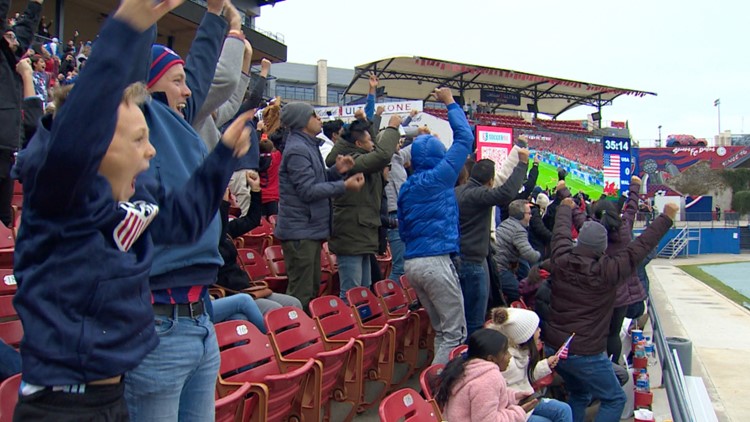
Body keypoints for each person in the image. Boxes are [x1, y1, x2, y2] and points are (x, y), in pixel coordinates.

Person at [12, 0, 251, 418]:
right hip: (63, 405)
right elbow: (78, 129)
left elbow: (181, 222)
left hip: (116, 392)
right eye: (139, 138)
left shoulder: (122, 208)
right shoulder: (60, 199)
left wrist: (222, 158)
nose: (152, 148)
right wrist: (130, 26)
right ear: (98, 141)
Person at [123, 1, 239, 420]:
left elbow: (202, 72)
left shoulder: (180, 122)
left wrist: (213, 17)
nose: (188, 91)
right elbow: (128, 61)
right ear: (147, 87)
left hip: (198, 320)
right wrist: (143, 14)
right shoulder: (141, 115)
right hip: (158, 323)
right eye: (176, 81)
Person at [543, 198, 677, 422]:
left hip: (555, 349)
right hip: (585, 353)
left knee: (580, 392)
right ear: (602, 248)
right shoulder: (608, 271)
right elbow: (639, 248)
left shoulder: (561, 258)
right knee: (615, 398)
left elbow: (560, 233)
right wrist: (666, 218)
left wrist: (565, 208)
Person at [398, 87, 473, 364]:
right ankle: (441, 392)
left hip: (413, 263)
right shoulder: (441, 175)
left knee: (443, 331)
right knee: (455, 333)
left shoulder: (407, 187)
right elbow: (465, 138)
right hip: (435, 262)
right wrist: (451, 103)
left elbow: (403, 229)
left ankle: (435, 385)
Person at [274, 102, 364, 310]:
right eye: (314, 115)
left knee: (310, 288)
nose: (319, 119)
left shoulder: (307, 146)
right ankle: (292, 338)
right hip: (300, 232)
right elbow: (308, 191)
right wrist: (344, 185)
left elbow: (317, 181)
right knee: (301, 293)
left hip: (308, 230)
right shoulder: (298, 149)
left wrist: (335, 171)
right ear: (302, 121)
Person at [325, 115, 401, 299]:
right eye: (369, 140)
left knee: (364, 289)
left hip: (362, 232)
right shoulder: (352, 161)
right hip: (351, 234)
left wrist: (367, 120)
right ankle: (347, 326)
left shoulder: (359, 155)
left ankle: (363, 324)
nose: (373, 144)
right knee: (351, 291)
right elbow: (382, 155)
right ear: (359, 144)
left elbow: (376, 149)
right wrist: (391, 128)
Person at [455, 155, 529, 337]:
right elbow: (506, 192)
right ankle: (470, 359)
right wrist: (522, 165)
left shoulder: (457, 192)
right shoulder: (478, 195)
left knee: (461, 317)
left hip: (457, 260)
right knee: (474, 320)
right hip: (472, 263)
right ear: (490, 181)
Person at [592, 177, 647, 362]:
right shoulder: (624, 228)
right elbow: (631, 208)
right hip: (621, 290)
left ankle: (602, 363)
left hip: (600, 289)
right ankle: (614, 365)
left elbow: (577, 218)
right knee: (614, 333)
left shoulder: (595, 231)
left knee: (600, 331)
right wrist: (635, 187)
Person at [487, 307, 573, 422]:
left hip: (527, 399)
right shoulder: (507, 362)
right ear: (525, 336)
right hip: (513, 407)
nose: (540, 331)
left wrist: (546, 364)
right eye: (536, 329)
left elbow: (526, 373)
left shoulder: (521, 352)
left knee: (564, 409)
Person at [1, 0, 43, 228]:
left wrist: (35, 5)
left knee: (4, 221)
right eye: (8, 35)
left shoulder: (9, 62)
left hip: (7, 149)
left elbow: (25, 32)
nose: (13, 39)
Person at [435, 328, 534, 422]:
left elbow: (483, 398)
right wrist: (519, 412)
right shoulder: (488, 380)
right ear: (491, 359)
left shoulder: (467, 365)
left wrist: (514, 396)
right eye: (505, 352)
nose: (510, 356)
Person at [493, 199, 541, 303]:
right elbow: (530, 255)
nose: (531, 216)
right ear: (520, 216)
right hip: (501, 270)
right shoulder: (518, 231)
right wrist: (541, 255)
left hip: (496, 266)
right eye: (529, 213)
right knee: (522, 293)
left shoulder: (506, 223)